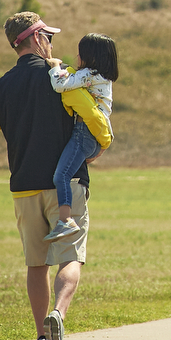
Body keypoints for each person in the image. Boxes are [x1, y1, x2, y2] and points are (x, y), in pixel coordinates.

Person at [0, 12, 113, 340]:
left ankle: (41, 337)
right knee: (70, 257)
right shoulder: (58, 77)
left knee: (36, 264)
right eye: (49, 36)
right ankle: (58, 314)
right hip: (67, 185)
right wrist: (104, 143)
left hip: (24, 188)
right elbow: (93, 116)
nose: (52, 43)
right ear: (35, 39)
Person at [43, 34, 118, 241]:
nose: (77, 56)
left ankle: (65, 220)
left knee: (61, 175)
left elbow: (60, 85)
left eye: (80, 53)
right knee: (66, 173)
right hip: (94, 137)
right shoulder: (104, 77)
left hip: (84, 132)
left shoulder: (89, 75)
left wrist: (55, 66)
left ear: (90, 57)